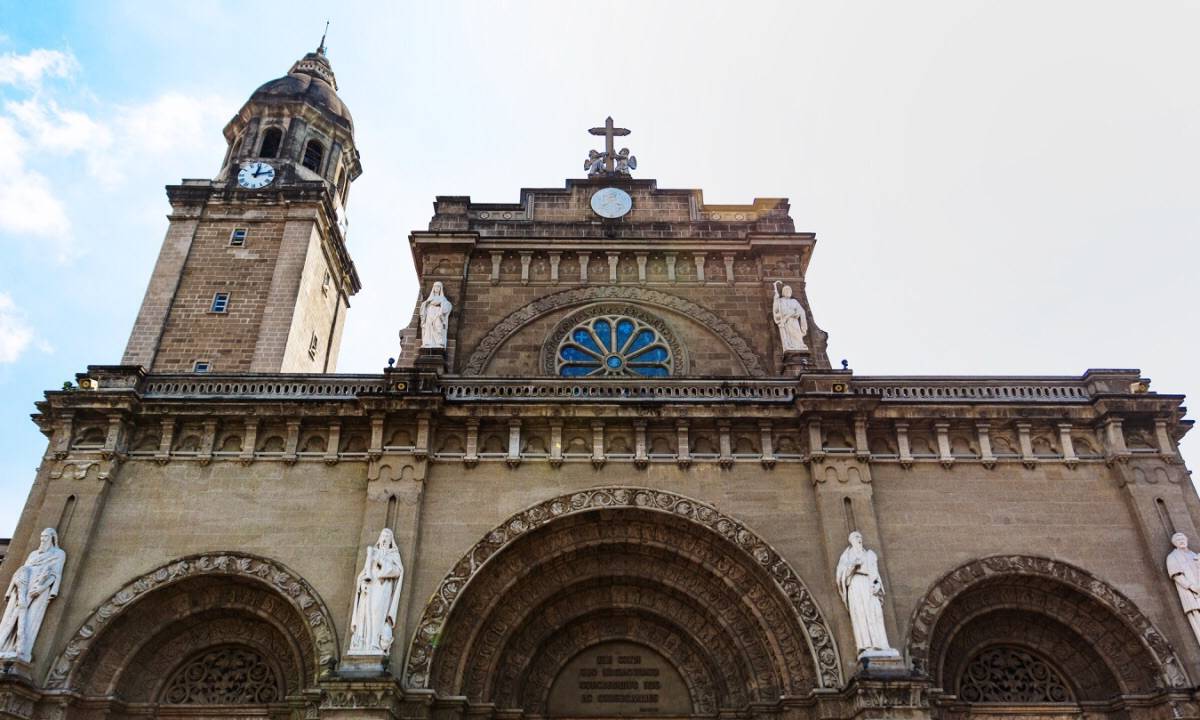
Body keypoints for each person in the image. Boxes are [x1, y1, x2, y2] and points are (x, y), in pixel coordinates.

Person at [0, 528, 67, 662]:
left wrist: (41, 588)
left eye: (46, 537)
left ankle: (21, 649)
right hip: (21, 589)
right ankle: (4, 645)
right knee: (11, 617)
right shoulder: (33, 554)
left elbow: (55, 574)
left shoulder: (58, 554)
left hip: (37, 590)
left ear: (52, 538)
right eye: (41, 537)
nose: (42, 540)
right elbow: (22, 570)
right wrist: (15, 588)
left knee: (29, 619)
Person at [348, 529, 405, 656]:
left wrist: (381, 561)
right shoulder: (373, 552)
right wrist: (362, 584)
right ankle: (364, 642)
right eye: (383, 536)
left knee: (377, 613)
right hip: (370, 589)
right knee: (365, 614)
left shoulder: (393, 554)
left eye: (388, 536)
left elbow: (398, 571)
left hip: (383, 589)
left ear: (391, 540)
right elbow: (363, 574)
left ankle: (374, 642)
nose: (385, 538)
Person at [835, 531, 892, 654]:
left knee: (874, 612)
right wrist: (852, 565)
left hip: (869, 583)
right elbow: (841, 575)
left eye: (860, 537)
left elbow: (874, 571)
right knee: (861, 612)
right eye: (856, 537)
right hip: (856, 583)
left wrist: (877, 585)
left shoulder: (869, 554)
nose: (859, 539)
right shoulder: (847, 555)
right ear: (851, 540)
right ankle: (865, 644)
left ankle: (880, 644)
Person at [1167, 532, 1200, 647]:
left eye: (1182, 538)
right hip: (1191, 593)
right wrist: (1191, 587)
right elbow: (1177, 575)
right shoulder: (1173, 557)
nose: (1181, 541)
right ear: (1174, 544)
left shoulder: (1194, 555)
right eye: (1178, 540)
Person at [772, 282, 808, 352]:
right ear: (783, 292)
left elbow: (801, 310)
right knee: (789, 332)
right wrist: (776, 299)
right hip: (787, 320)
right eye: (786, 291)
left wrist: (796, 313)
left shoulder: (794, 301)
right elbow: (777, 310)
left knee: (796, 332)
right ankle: (789, 344)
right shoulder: (780, 301)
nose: (788, 292)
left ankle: (799, 344)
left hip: (794, 320)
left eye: (789, 291)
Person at [420, 281, 453, 349]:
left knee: (438, 326)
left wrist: (441, 304)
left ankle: (439, 342)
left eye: (438, 286)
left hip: (438, 313)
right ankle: (428, 342)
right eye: (435, 286)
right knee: (429, 327)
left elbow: (448, 306)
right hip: (430, 313)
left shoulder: (443, 298)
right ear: (433, 288)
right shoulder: (430, 298)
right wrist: (427, 303)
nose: (437, 288)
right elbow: (424, 306)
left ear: (440, 288)